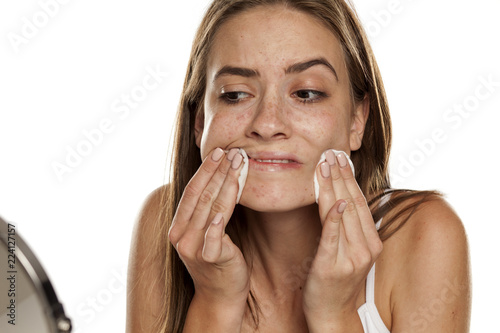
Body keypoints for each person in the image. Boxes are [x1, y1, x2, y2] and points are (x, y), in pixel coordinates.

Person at [126, 0, 471, 332]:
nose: (267, 122)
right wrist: (215, 305)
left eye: (306, 93)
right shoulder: (167, 222)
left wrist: (334, 316)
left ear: (357, 120)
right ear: (200, 122)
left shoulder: (424, 236)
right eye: (235, 94)